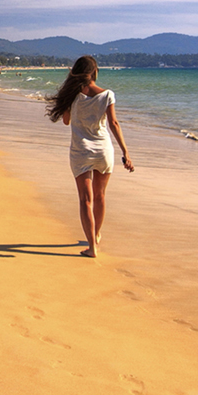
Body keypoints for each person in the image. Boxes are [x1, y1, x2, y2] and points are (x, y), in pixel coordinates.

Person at [46, 56, 133, 258]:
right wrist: (125, 152)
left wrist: (69, 105)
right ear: (95, 72)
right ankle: (97, 234)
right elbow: (114, 124)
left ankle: (92, 247)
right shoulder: (108, 95)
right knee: (100, 196)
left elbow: (66, 121)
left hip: (80, 151)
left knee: (86, 199)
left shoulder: (72, 96)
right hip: (104, 151)